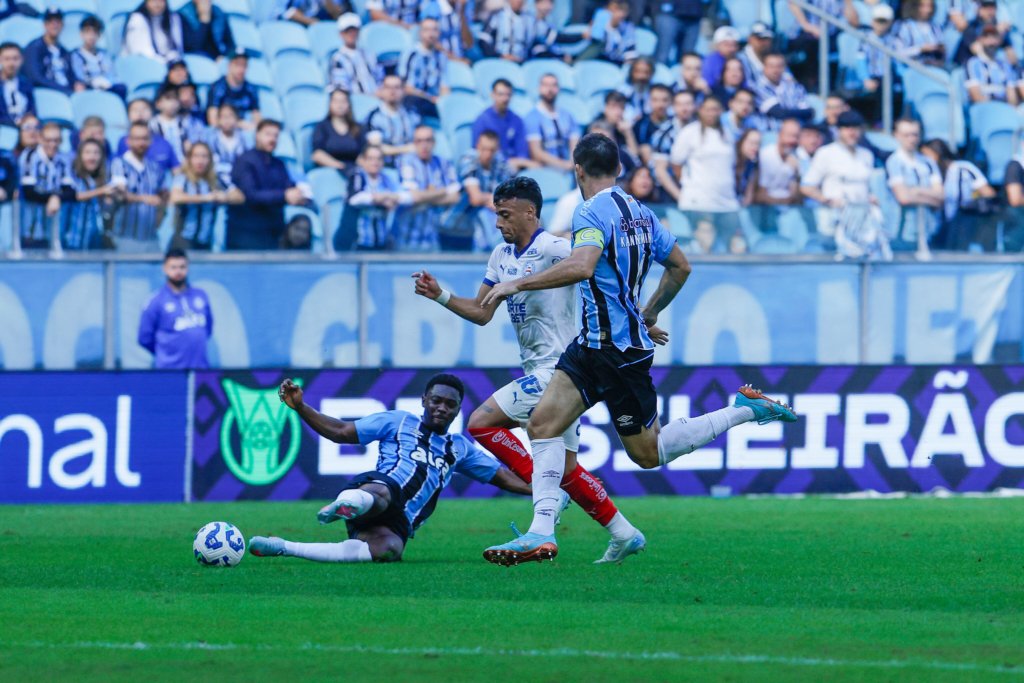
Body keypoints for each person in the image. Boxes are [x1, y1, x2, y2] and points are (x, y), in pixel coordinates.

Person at [477, 133, 797, 564]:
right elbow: (681, 266)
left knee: (648, 453)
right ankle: (540, 533)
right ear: (620, 170)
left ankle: (743, 409)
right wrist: (648, 312)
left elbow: (582, 264)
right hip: (589, 345)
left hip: (620, 354)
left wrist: (515, 282)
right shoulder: (644, 214)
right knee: (543, 425)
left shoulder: (589, 211)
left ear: (577, 171)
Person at [414, 174, 647, 563]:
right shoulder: (500, 257)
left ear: (529, 212)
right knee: (568, 468)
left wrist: (637, 318)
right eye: (496, 214)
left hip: (562, 369)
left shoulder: (556, 248)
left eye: (505, 214)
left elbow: (600, 271)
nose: (498, 222)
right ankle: (624, 533)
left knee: (481, 423)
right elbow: (482, 312)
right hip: (545, 369)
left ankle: (544, 498)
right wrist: (439, 294)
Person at [249, 374, 533, 564]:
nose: (441, 408)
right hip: (379, 490)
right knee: (385, 491)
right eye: (436, 401)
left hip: (399, 522)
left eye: (450, 404)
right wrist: (300, 407)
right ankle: (348, 502)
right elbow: (341, 431)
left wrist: (547, 492)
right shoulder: (398, 422)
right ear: (424, 400)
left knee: (388, 551)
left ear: (458, 410)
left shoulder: (459, 448)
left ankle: (282, 546)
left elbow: (505, 479)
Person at [801, 110, 876, 244]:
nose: (852, 132)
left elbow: (868, 187)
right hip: (833, 221)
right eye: (847, 128)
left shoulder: (866, 155)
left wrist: (871, 197)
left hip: (861, 222)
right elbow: (807, 186)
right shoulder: (826, 153)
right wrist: (827, 200)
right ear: (838, 130)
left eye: (856, 128)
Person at [227, 119, 305, 249]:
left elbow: (288, 186)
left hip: (274, 230)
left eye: (276, 136)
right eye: (268, 134)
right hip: (248, 232)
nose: (272, 139)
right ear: (257, 135)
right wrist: (284, 196)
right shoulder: (245, 161)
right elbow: (251, 195)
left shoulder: (278, 164)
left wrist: (298, 195)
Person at [137, 248, 213, 369]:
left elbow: (208, 329)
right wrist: (166, 353)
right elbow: (144, 338)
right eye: (173, 267)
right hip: (169, 371)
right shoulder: (156, 300)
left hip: (200, 369)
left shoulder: (201, 295)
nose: (178, 271)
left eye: (182, 267)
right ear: (165, 269)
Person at [921, 137, 996, 251]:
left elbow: (988, 193)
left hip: (964, 224)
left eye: (927, 156)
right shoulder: (929, 174)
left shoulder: (963, 168)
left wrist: (971, 203)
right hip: (938, 226)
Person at [670, 96, 739, 216]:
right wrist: (688, 183)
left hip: (727, 199)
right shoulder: (689, 132)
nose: (711, 113)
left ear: (721, 111)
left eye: (715, 109)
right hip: (698, 199)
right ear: (700, 110)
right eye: (708, 109)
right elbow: (676, 163)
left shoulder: (728, 133)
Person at [395, 125, 459, 250]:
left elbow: (456, 197)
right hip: (407, 236)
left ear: (434, 142)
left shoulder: (443, 163)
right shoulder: (406, 162)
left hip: (433, 236)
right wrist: (443, 191)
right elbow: (415, 197)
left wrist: (425, 196)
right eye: (419, 141)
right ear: (414, 143)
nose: (424, 145)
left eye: (428, 140)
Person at [170, 141, 243, 250]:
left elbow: (239, 197)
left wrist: (224, 197)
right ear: (189, 159)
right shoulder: (182, 178)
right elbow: (175, 197)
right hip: (184, 240)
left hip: (206, 241)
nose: (200, 161)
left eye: (204, 156)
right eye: (196, 156)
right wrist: (205, 198)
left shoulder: (217, 180)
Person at [885, 118, 943, 253]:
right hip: (901, 232)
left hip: (927, 229)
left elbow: (941, 196)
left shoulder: (927, 162)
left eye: (915, 134)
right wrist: (929, 195)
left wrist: (916, 191)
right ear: (896, 135)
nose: (911, 139)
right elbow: (903, 198)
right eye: (906, 135)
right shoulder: (894, 162)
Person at [109, 122, 169, 253]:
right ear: (128, 141)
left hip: (151, 238)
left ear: (150, 141)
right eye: (136, 138)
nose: (141, 143)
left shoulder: (155, 168)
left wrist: (161, 213)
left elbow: (163, 196)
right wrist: (144, 199)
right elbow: (119, 194)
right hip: (126, 237)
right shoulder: (119, 164)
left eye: (145, 138)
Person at [449, 129, 512, 251]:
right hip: (458, 223)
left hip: (487, 218)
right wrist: (492, 198)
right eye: (484, 149)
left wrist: (493, 200)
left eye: (491, 150)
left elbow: (507, 198)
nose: (487, 154)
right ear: (477, 147)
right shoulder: (468, 160)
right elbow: (475, 198)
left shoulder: (501, 164)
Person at [339, 144, 407, 250]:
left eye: (378, 159)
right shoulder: (357, 176)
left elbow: (404, 196)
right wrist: (382, 199)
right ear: (363, 160)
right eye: (370, 158)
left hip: (381, 242)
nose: (375, 162)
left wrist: (391, 197)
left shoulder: (386, 179)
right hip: (357, 243)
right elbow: (354, 199)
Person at [18, 121, 74, 249]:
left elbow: (70, 190)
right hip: (31, 224)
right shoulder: (29, 156)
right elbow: (28, 191)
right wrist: (53, 197)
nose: (52, 144)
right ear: (40, 139)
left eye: (56, 140)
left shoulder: (63, 158)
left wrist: (56, 198)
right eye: (48, 140)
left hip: (54, 225)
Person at [788, 0, 859, 90]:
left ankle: (838, 87)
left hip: (831, 36)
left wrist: (848, 3)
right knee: (811, 45)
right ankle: (810, 86)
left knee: (845, 42)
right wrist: (807, 25)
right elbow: (793, 3)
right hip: (808, 34)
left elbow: (854, 22)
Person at [62, 138, 115, 250]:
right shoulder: (72, 175)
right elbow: (74, 196)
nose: (92, 157)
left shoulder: (105, 178)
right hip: (72, 239)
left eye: (96, 153)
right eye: (87, 152)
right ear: (80, 155)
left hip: (95, 241)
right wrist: (101, 191)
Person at [472, 78, 535, 171]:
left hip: (517, 169)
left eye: (508, 95)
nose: (505, 99)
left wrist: (519, 162)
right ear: (492, 95)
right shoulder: (482, 121)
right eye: (500, 94)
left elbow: (522, 151)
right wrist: (508, 162)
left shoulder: (517, 120)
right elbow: (478, 151)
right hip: (492, 169)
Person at [754, 118, 804, 229]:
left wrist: (796, 174)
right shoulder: (765, 156)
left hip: (787, 216)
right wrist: (784, 201)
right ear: (780, 135)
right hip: (765, 214)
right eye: (789, 135)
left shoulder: (796, 158)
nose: (792, 140)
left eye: (796, 137)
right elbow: (759, 195)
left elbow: (796, 197)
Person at [524, 73, 578, 174]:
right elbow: (536, 152)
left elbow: (574, 143)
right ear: (539, 88)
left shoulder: (568, 116)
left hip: (569, 171)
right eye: (546, 85)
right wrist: (563, 165)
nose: (550, 89)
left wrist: (572, 163)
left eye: (554, 85)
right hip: (545, 172)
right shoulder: (532, 117)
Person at [398, 17, 449, 120]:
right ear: (420, 33)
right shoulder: (411, 55)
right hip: (416, 100)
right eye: (427, 30)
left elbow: (445, 87)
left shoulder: (441, 57)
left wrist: (442, 100)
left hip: (435, 102)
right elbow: (406, 87)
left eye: (434, 30)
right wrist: (429, 98)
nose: (431, 34)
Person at [23, 8, 80, 95]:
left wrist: (77, 83)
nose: (54, 25)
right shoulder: (34, 48)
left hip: (67, 92)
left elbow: (71, 74)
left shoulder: (64, 51)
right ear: (45, 25)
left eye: (58, 21)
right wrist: (63, 90)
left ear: (62, 25)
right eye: (50, 21)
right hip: (48, 94)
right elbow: (35, 77)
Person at [650, 89, 695, 199]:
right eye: (680, 104)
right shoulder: (663, 134)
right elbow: (660, 171)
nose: (684, 109)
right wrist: (681, 197)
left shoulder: (702, 130)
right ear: (673, 107)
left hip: (698, 187)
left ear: (695, 106)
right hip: (672, 191)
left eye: (688, 104)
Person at [365, 74, 418, 166]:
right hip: (385, 167)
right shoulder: (374, 117)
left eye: (397, 87)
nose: (392, 91)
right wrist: (406, 149)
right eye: (388, 87)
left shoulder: (413, 114)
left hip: (412, 165)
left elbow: (420, 143)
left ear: (403, 90)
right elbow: (377, 148)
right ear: (381, 91)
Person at [70, 15, 127, 100]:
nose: (91, 36)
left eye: (95, 32)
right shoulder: (76, 55)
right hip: (89, 88)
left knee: (121, 88)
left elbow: (112, 74)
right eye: (87, 32)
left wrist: (107, 83)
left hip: (107, 88)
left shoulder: (104, 55)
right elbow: (79, 76)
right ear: (81, 34)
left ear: (99, 35)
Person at [754, 53, 815, 130]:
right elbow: (779, 113)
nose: (775, 70)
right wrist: (797, 112)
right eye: (771, 66)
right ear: (764, 67)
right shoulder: (758, 88)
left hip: (798, 132)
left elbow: (809, 113)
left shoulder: (794, 86)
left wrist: (787, 112)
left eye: (779, 66)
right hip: (770, 133)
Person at [312, 88, 365, 174]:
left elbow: (363, 153)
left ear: (349, 104)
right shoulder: (321, 127)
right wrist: (341, 166)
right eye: (336, 101)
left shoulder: (358, 127)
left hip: (355, 172)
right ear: (330, 104)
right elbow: (317, 155)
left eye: (343, 101)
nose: (340, 105)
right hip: (329, 171)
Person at [118, 98, 179, 173]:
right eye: (135, 110)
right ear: (128, 115)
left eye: (144, 109)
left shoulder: (163, 143)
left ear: (152, 113)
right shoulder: (123, 142)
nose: (140, 113)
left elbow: (177, 171)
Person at [328, 13, 383, 95]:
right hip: (356, 102)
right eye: (347, 31)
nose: (351, 34)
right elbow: (341, 88)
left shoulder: (369, 54)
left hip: (378, 98)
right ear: (341, 34)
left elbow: (380, 78)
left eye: (354, 30)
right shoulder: (338, 59)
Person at [964, 25, 1019, 105]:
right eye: (987, 37)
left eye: (994, 37)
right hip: (983, 110)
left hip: (1004, 110)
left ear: (999, 41)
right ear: (980, 39)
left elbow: (1012, 96)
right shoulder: (973, 63)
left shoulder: (1004, 65)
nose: (992, 42)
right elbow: (976, 96)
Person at [206, 49, 260, 128]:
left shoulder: (250, 89)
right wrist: (238, 124)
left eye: (244, 65)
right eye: (237, 65)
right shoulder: (217, 87)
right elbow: (213, 121)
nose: (241, 70)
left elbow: (257, 118)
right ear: (229, 65)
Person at [954, 0, 1016, 67]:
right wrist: (993, 65)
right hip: (963, 67)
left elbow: (1012, 58)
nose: (989, 11)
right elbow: (978, 51)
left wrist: (999, 34)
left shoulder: (999, 28)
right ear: (979, 9)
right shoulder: (972, 26)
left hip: (987, 68)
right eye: (985, 7)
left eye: (992, 7)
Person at [590, 91, 640, 170]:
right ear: (605, 108)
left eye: (621, 108)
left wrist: (628, 133)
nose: (618, 112)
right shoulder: (595, 127)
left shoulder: (624, 127)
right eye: (613, 107)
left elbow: (634, 157)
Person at [207, 103, 250, 189]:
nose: (227, 120)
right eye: (223, 117)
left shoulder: (245, 139)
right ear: (218, 120)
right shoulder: (211, 139)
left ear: (237, 119)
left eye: (230, 116)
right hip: (217, 179)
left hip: (240, 179)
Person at [893, 0, 945, 67]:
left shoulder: (935, 27)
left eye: (930, 6)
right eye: (923, 6)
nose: (928, 10)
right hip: (910, 69)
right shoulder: (904, 26)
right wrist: (920, 49)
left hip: (933, 68)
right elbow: (897, 54)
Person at [653, 0, 704, 66]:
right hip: (668, 12)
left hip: (694, 14)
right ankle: (658, 75)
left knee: (687, 57)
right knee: (662, 56)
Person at [635, 83, 672, 163]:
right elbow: (644, 154)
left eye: (664, 100)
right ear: (649, 101)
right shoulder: (641, 125)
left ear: (670, 102)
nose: (660, 104)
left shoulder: (675, 123)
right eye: (655, 100)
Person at [0, 42, 35, 125]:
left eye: (15, 58)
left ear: (21, 60)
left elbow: (32, 111)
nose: (11, 63)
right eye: (7, 59)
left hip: (24, 129)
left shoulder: (26, 84)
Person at [593, 0, 637, 65]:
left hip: (617, 65)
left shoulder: (628, 29)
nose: (621, 14)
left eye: (624, 10)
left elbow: (630, 54)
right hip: (597, 61)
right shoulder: (598, 25)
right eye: (616, 9)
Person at [702, 26, 740, 91]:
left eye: (734, 45)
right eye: (726, 45)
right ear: (717, 45)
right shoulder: (710, 61)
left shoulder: (739, 60)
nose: (731, 49)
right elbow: (709, 83)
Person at [619, 57, 654, 122]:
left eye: (646, 72)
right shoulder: (622, 91)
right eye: (638, 72)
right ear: (631, 73)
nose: (641, 77)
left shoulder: (656, 92)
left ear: (652, 74)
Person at [740, 21, 774, 88]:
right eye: (760, 38)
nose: (764, 42)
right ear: (750, 39)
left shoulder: (775, 57)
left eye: (767, 38)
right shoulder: (740, 59)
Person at [735, 128, 761, 208]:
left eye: (758, 144)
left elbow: (748, 198)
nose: (755, 148)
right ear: (741, 142)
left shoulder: (752, 165)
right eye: (752, 143)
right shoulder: (731, 162)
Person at [273, 0, 345, 26]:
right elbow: (282, 14)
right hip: (296, 29)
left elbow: (338, 16)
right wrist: (312, 22)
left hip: (323, 31)